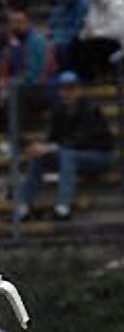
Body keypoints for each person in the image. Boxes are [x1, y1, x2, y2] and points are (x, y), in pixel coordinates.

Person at [18, 70, 114, 220]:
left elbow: (81, 141)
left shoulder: (91, 109)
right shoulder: (59, 110)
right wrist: (40, 148)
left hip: (100, 156)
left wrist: (49, 148)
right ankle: (23, 207)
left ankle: (63, 208)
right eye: (63, 89)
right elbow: (54, 139)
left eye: (71, 89)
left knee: (67, 155)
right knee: (40, 158)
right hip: (71, 155)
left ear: (79, 89)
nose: (67, 93)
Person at [49, 0, 89, 69]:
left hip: (76, 38)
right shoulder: (60, 4)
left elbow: (79, 27)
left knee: (63, 46)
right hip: (60, 35)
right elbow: (53, 24)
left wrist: (60, 37)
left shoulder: (83, 5)